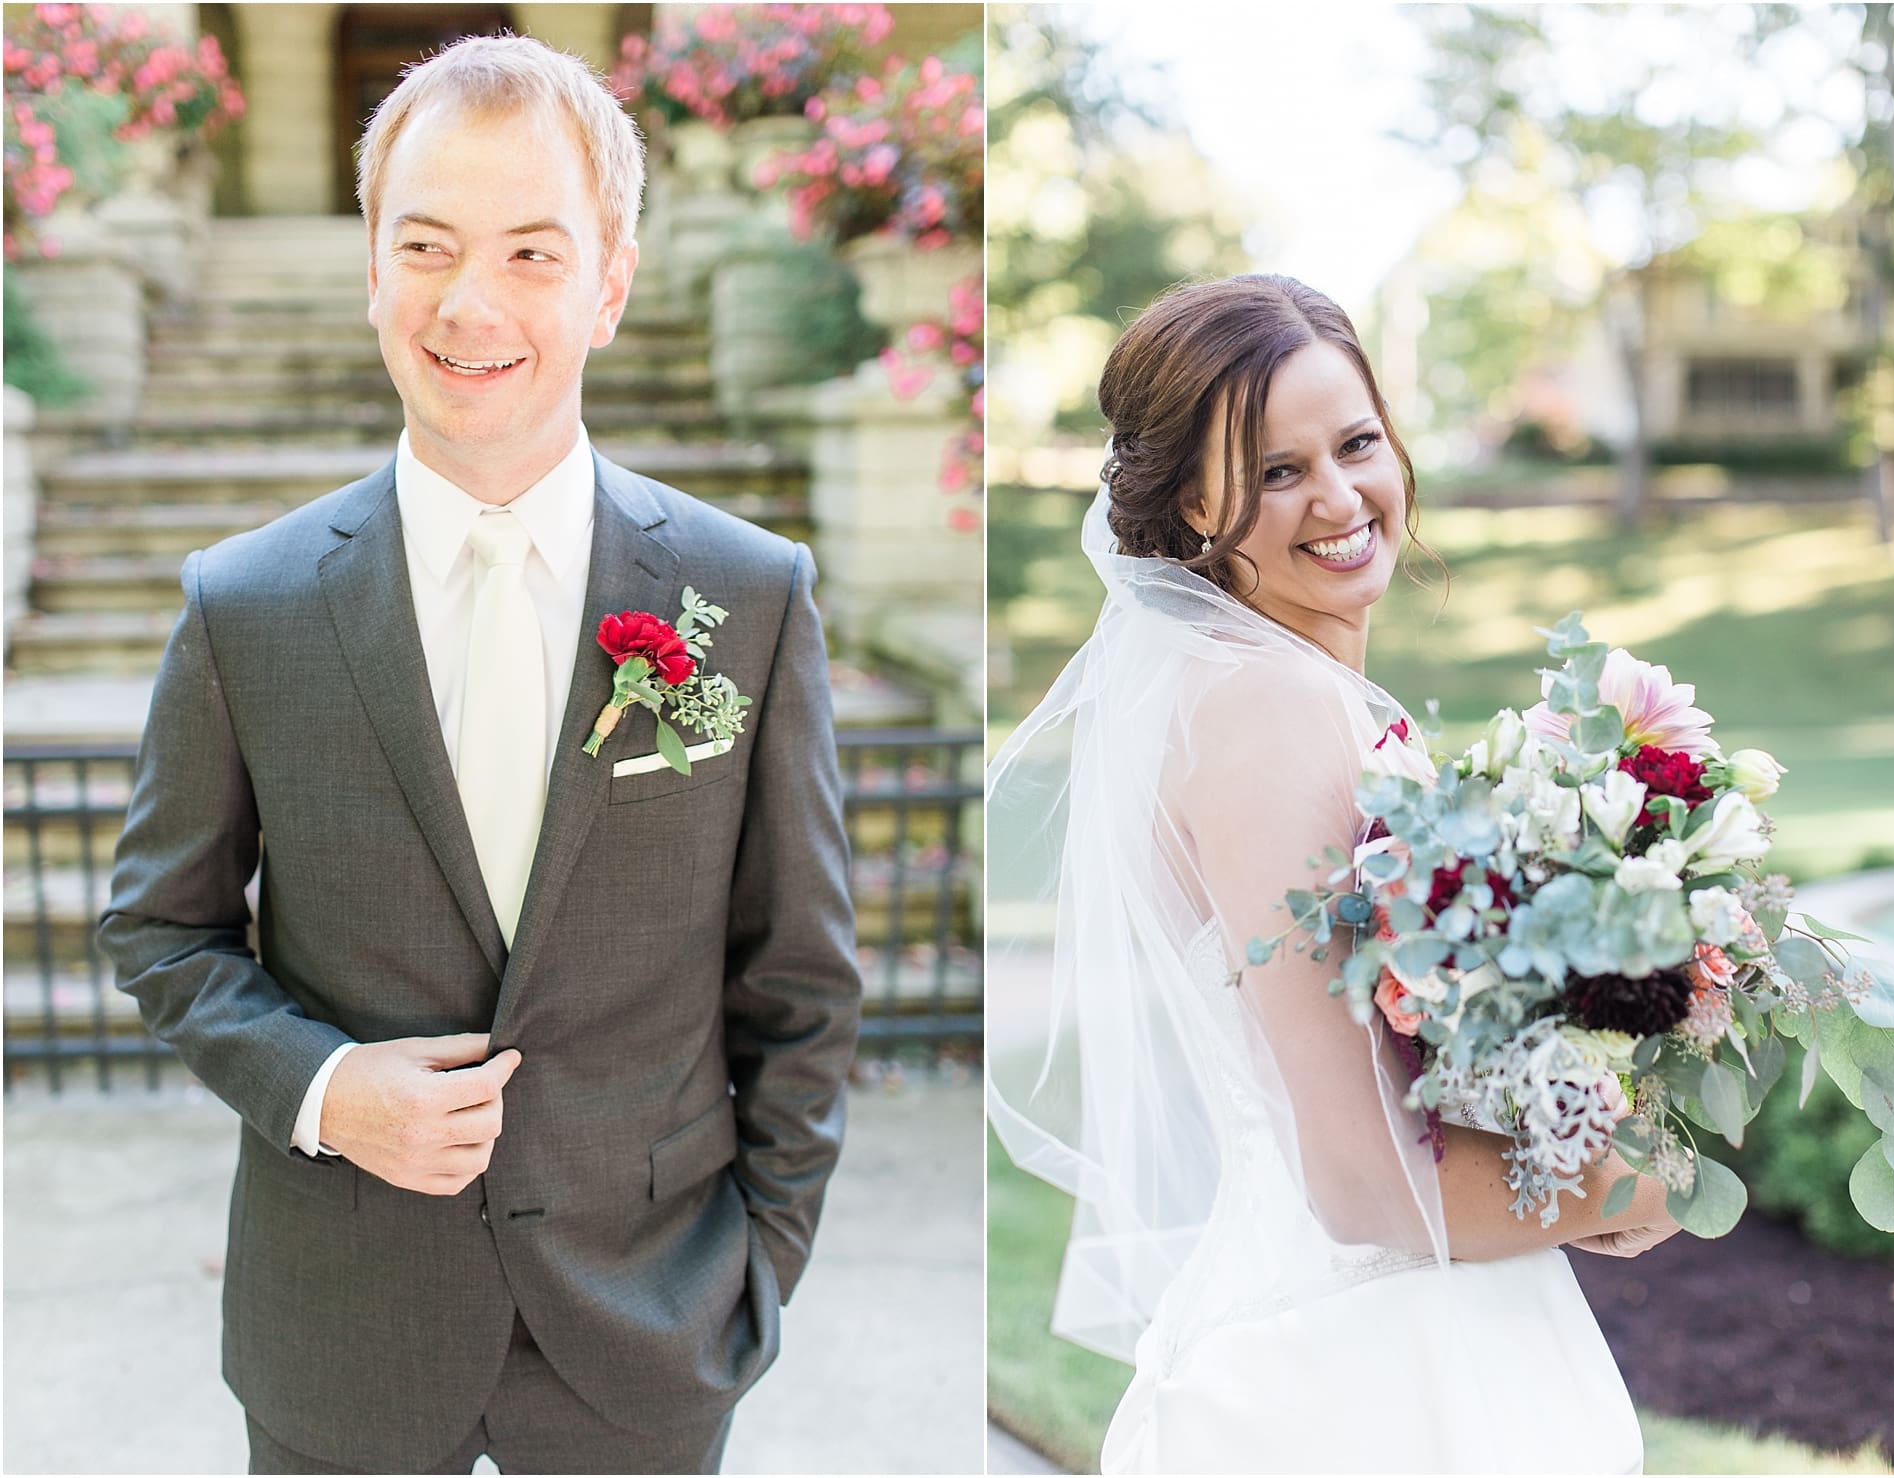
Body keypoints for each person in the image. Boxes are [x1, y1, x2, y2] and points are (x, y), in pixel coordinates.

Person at [101, 34, 861, 1476]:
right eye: (427, 245)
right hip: (344, 1330)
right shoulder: (244, 604)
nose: (471, 301)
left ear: (610, 285)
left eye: (531, 251)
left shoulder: (744, 595)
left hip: (648, 1324)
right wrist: (324, 1090)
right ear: (370, 270)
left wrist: (754, 1270)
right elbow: (161, 926)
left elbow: (800, 976)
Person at [986, 274, 1678, 1474]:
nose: (1340, 496)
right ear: (1191, 506)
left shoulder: (1273, 693)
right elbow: (1361, 1182)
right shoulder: (1270, 712)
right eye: (1275, 471)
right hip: (1361, 1376)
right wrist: (1636, 1185)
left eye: (1355, 443)